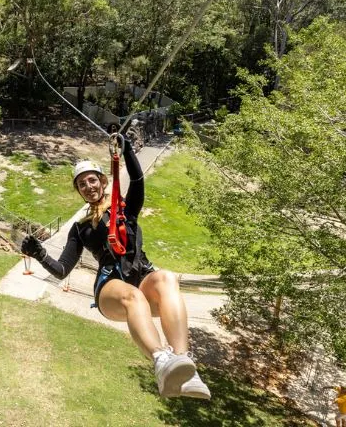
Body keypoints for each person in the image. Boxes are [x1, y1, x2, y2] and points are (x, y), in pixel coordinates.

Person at [21, 135, 210, 399]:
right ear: (79, 192)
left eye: (92, 180)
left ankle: (184, 366)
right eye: (81, 184)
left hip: (141, 275)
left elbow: (137, 180)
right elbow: (63, 269)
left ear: (103, 181)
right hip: (110, 286)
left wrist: (127, 150)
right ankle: (161, 361)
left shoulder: (126, 210)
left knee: (166, 277)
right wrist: (39, 254)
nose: (88, 186)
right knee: (131, 296)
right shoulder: (80, 228)